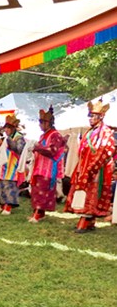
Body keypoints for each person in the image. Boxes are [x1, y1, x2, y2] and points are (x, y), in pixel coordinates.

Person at [65, 99, 116, 233]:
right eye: (90, 115)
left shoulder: (106, 132)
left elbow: (106, 149)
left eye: (93, 116)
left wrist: (92, 167)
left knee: (91, 193)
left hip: (98, 169)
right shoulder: (89, 131)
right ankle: (89, 220)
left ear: (101, 116)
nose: (91, 118)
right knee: (83, 192)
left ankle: (86, 219)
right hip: (84, 166)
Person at [28, 107, 66, 223]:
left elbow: (52, 151)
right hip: (39, 167)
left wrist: (37, 147)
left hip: (49, 169)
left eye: (42, 122)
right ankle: (39, 213)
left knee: (42, 191)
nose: (40, 125)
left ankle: (38, 214)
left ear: (48, 123)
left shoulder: (55, 135)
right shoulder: (43, 136)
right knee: (36, 191)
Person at [0, 114, 26, 215]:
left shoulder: (19, 137)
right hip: (5, 165)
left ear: (13, 128)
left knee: (10, 186)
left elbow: (20, 150)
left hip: (13, 166)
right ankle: (2, 205)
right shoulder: (7, 138)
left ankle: (8, 207)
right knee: (2, 186)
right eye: (5, 128)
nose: (6, 130)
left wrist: (12, 144)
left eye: (8, 128)